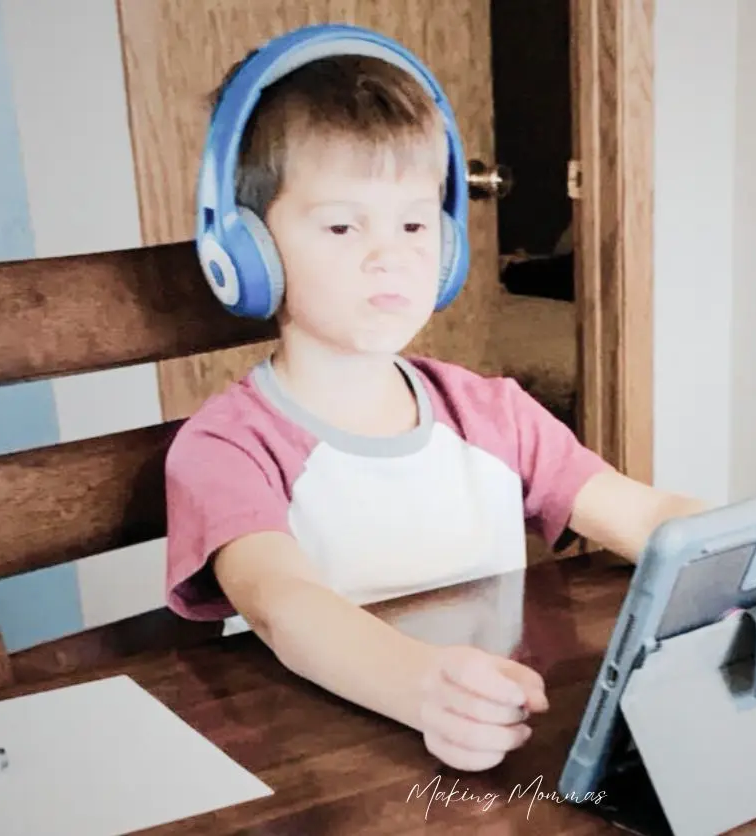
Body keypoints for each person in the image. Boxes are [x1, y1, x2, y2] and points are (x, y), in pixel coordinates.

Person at [163, 48, 708, 772]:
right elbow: (283, 604)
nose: (390, 257)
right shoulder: (226, 447)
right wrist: (422, 689)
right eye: (342, 228)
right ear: (249, 249)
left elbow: (640, 516)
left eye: (415, 227)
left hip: (489, 740)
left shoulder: (492, 413)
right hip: (331, 766)